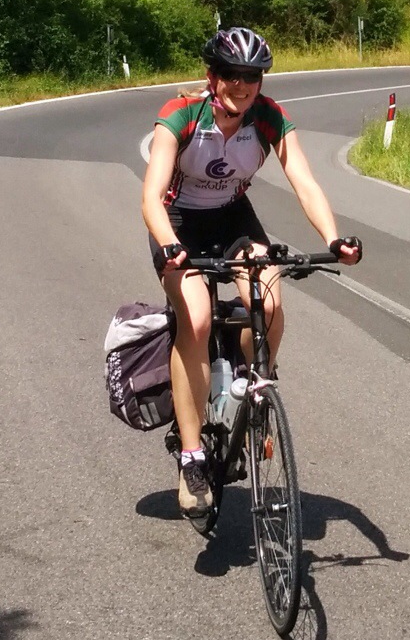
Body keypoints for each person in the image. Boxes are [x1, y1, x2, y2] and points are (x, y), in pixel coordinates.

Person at [141, 27, 362, 520]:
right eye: (232, 75)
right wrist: (172, 246)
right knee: (197, 319)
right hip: (178, 223)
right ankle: (192, 458)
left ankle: (251, 385)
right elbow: (151, 196)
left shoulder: (268, 116)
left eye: (252, 76)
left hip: (233, 218)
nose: (242, 85)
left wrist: (333, 239)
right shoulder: (180, 115)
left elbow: (304, 181)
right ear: (212, 76)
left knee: (270, 302)